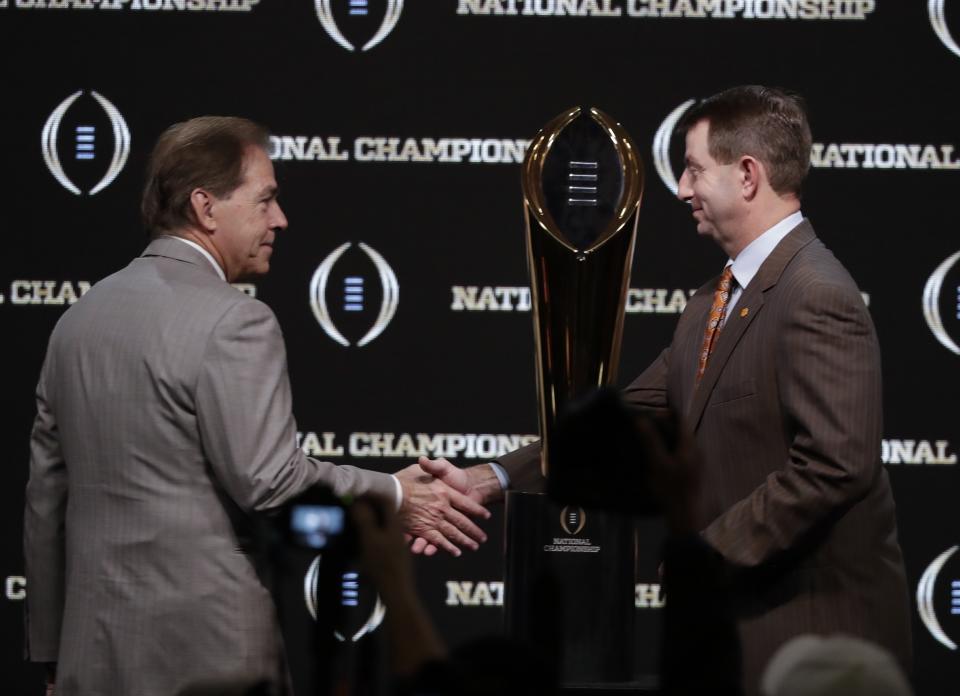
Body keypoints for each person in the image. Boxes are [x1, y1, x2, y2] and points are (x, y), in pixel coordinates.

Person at [416, 86, 913, 695]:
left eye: (694, 169)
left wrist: (707, 555)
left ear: (748, 175)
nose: (680, 189)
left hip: (813, 641)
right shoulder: (712, 300)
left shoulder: (816, 295)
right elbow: (624, 420)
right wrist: (488, 478)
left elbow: (836, 465)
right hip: (742, 634)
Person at [23, 116, 489, 696]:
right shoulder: (235, 320)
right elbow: (271, 483)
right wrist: (398, 496)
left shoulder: (78, 320)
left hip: (90, 656)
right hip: (207, 655)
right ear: (206, 206)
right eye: (265, 199)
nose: (280, 219)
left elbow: (47, 500)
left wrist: (50, 652)